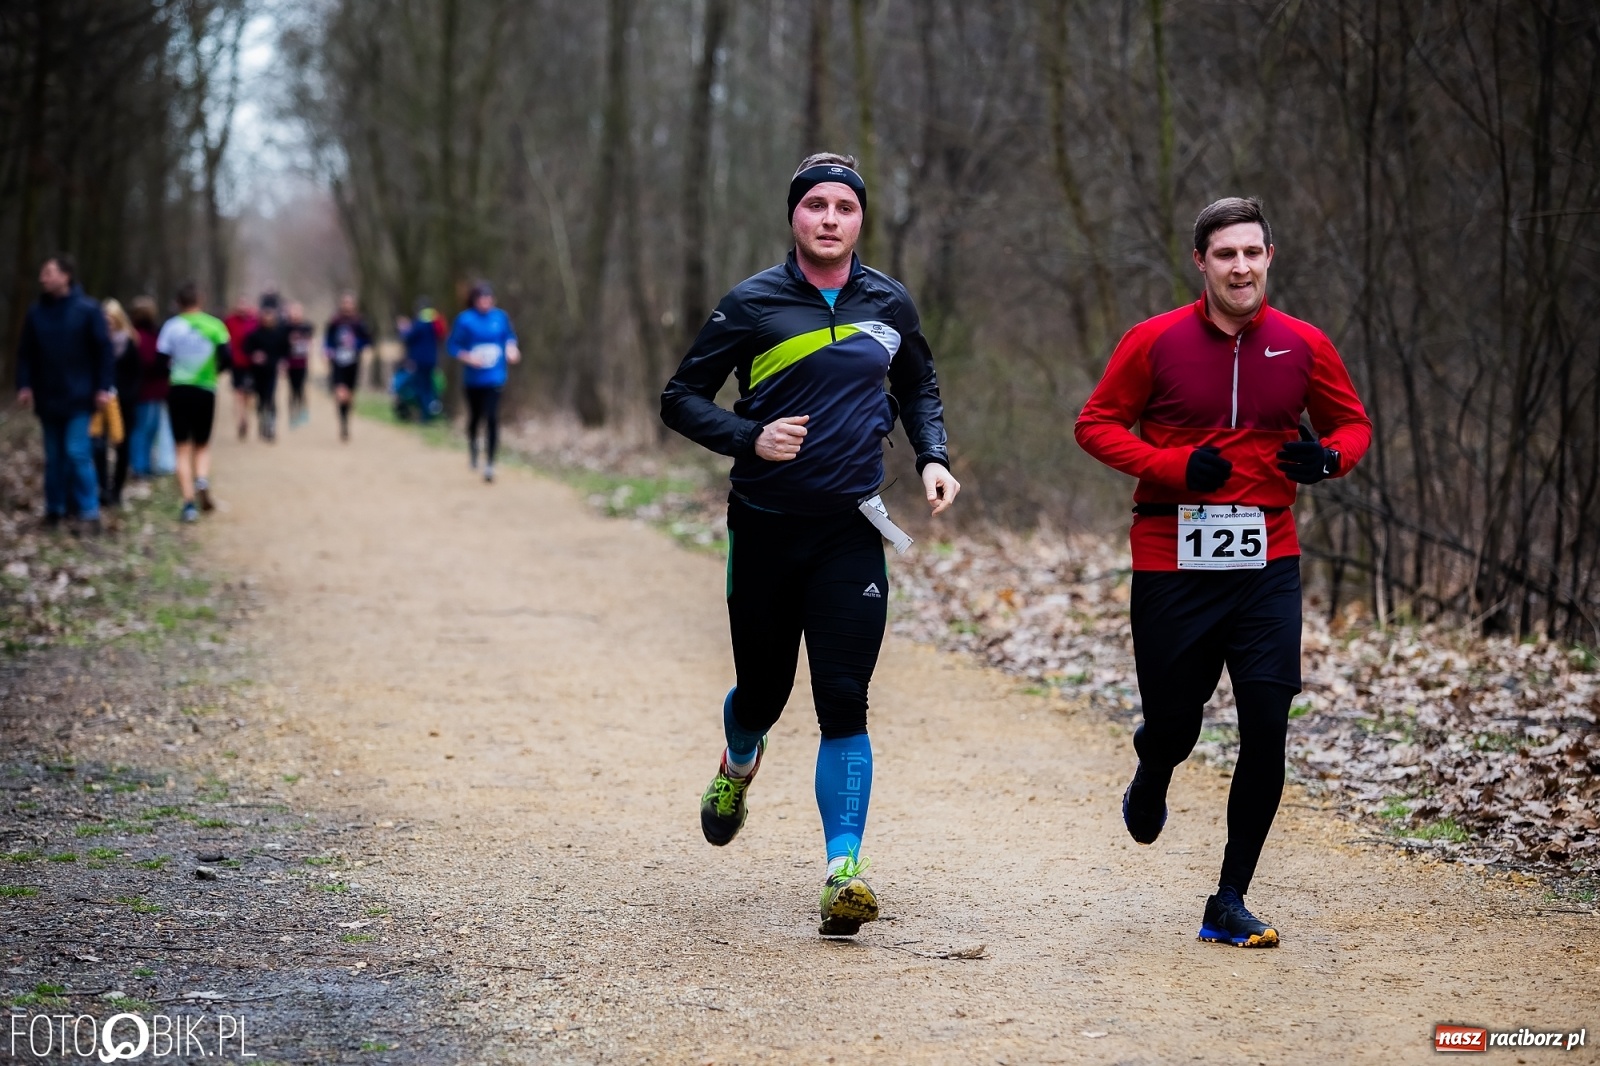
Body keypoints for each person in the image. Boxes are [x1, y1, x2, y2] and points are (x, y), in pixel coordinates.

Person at [660, 153, 959, 936]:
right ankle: (737, 764)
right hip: (763, 528)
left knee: (843, 700)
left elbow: (919, 384)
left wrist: (933, 456)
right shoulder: (753, 304)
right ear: (794, 216)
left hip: (851, 531)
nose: (830, 218)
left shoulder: (888, 301)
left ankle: (843, 871)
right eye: (815, 205)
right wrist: (749, 438)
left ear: (861, 219)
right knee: (763, 694)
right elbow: (680, 398)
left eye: (844, 208)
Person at [1074, 197, 1372, 948]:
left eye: (1252, 252)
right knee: (1176, 723)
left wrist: (1331, 458)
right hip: (1172, 559)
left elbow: (1353, 424)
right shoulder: (1155, 341)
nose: (1240, 267)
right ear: (1200, 263)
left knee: (1267, 727)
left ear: (1270, 256)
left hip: (1268, 561)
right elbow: (1095, 424)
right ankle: (1154, 764)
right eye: (1225, 255)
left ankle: (1229, 899)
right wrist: (1171, 465)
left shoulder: (1303, 345)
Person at [15, 254, 114, 532]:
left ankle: (89, 512)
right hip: (48, 396)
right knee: (54, 457)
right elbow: (26, 353)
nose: (42, 278)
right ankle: (54, 511)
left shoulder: (88, 310)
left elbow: (103, 351)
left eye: (48, 272)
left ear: (66, 275)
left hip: (80, 396)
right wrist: (24, 384)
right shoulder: (36, 313)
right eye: (42, 273)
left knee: (76, 452)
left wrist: (103, 387)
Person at [156, 280, 230, 523]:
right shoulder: (215, 326)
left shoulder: (171, 327)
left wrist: (175, 373)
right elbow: (227, 358)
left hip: (178, 390)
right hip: (205, 390)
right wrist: (212, 373)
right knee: (202, 445)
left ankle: (188, 504)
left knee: (181, 448)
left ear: (178, 303)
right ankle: (202, 479)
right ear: (201, 300)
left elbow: (160, 363)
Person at [447, 282, 519, 481]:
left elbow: (509, 337)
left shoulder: (500, 317)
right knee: (476, 417)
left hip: (495, 377)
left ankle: (490, 464)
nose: (486, 302)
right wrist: (468, 357)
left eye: (489, 298)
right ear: (474, 300)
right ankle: (473, 449)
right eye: (482, 299)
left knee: (492, 418)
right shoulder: (465, 320)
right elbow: (452, 346)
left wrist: (512, 349)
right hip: (473, 379)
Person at [94, 298, 142, 507]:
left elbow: (137, 374)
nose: (108, 324)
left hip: (125, 402)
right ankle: (103, 487)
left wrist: (128, 395)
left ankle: (117, 490)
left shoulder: (129, 343)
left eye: (112, 320)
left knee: (122, 446)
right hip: (99, 403)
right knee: (98, 445)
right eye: (105, 320)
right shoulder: (94, 343)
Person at [127, 296, 169, 479]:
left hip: (156, 389)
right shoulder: (135, 337)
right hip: (142, 390)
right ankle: (138, 466)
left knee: (150, 429)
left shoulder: (155, 334)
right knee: (141, 429)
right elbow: (146, 362)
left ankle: (145, 464)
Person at [324, 292, 373, 442]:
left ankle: (346, 418)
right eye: (345, 303)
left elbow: (368, 341)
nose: (347, 306)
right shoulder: (335, 321)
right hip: (337, 363)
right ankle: (343, 423)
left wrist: (357, 345)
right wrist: (328, 351)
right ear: (341, 304)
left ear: (354, 305)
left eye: (350, 303)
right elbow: (328, 340)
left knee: (349, 395)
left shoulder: (359, 323)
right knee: (340, 393)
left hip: (353, 362)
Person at [243, 300, 289, 442]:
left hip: (272, 371)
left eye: (271, 316)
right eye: (265, 316)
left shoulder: (280, 333)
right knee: (261, 400)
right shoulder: (255, 334)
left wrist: (283, 362)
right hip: (257, 373)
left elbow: (286, 350)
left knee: (271, 398)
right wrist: (254, 356)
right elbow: (246, 349)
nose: (268, 319)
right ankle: (262, 423)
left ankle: (271, 426)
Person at [401, 296, 445, 422]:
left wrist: (404, 329)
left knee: (421, 387)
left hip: (419, 361)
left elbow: (408, 338)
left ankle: (425, 415)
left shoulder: (420, 322)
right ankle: (430, 412)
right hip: (432, 359)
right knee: (429, 387)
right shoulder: (435, 321)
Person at [222, 294, 258, 442]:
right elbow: (224, 339)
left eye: (244, 304)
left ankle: (246, 417)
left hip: (251, 364)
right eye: (240, 304)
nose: (242, 307)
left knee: (249, 395)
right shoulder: (229, 321)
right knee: (238, 393)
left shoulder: (254, 321)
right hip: (236, 363)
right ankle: (240, 420)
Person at [283, 300, 314, 426]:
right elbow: (281, 345)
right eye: (293, 311)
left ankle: (302, 411)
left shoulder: (307, 327)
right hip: (290, 363)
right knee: (291, 388)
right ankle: (292, 413)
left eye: (298, 311)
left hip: (302, 362)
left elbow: (311, 343)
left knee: (300, 388)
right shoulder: (285, 327)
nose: (295, 314)